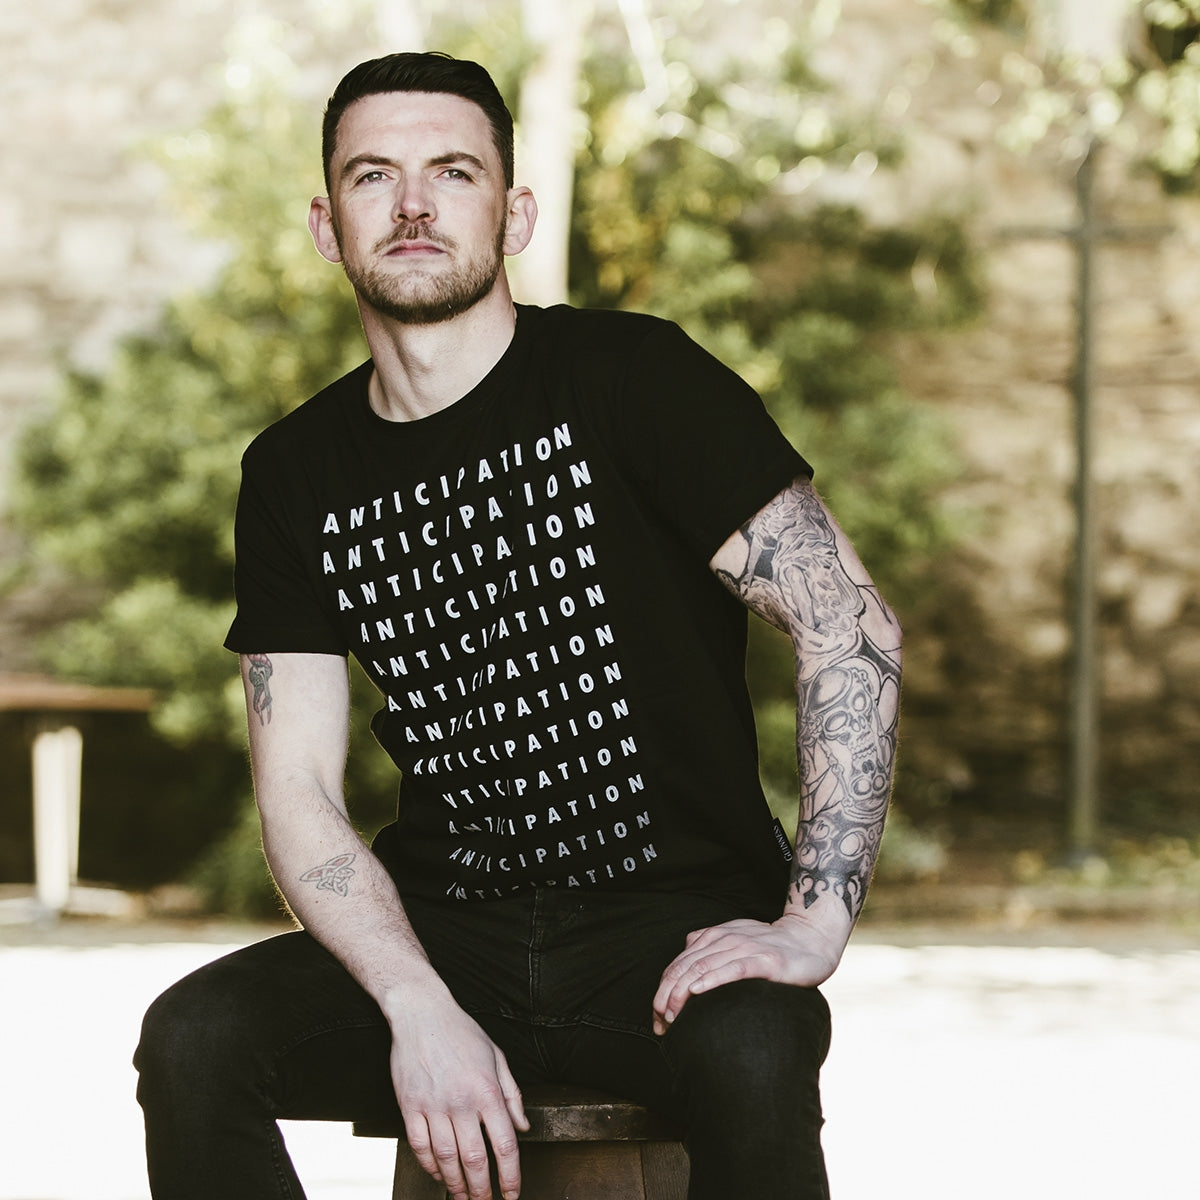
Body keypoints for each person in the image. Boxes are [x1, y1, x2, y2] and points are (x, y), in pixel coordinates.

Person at [134, 51, 901, 1200]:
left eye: (452, 170)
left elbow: (849, 628)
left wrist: (814, 920)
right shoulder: (294, 471)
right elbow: (297, 790)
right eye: (371, 176)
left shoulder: (636, 380)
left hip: (669, 938)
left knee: (755, 1048)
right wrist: (413, 1002)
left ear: (515, 210)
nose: (411, 204)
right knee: (193, 1042)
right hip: (448, 937)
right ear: (325, 225)